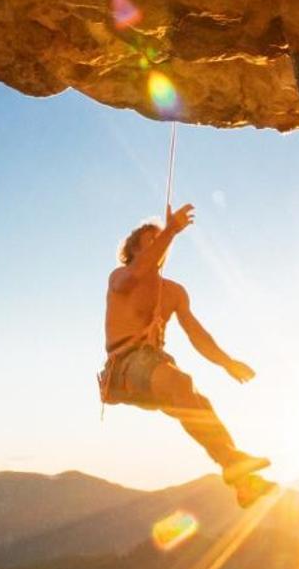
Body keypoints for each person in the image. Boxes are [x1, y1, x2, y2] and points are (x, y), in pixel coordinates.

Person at [100, 203, 272, 505]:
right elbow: (136, 274)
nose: (160, 243)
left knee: (199, 405)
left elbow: (197, 334)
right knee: (182, 385)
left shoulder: (174, 292)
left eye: (161, 240)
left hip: (153, 366)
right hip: (126, 366)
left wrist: (227, 362)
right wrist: (172, 230)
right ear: (134, 251)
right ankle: (235, 464)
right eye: (151, 241)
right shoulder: (120, 276)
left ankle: (242, 481)